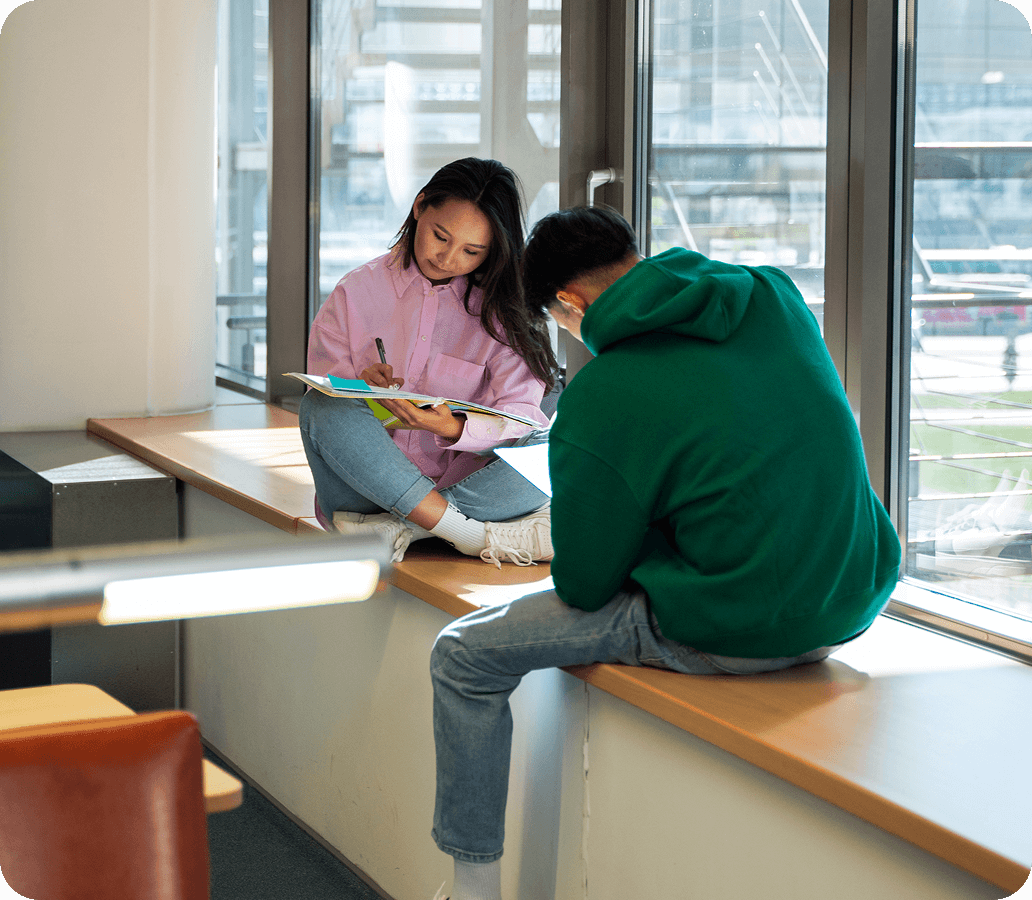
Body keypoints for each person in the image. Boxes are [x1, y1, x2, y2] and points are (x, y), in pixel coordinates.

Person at [427, 206, 901, 900]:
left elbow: (584, 583)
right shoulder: (773, 294)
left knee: (461, 654)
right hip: (855, 593)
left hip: (739, 626)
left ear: (570, 303)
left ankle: (473, 891)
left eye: (558, 321)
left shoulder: (602, 393)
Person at [299, 158, 556, 565]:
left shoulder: (504, 313)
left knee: (555, 448)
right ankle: (464, 533)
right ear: (420, 206)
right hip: (362, 493)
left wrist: (452, 427)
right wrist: (361, 389)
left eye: (472, 251)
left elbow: (522, 417)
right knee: (321, 405)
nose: (448, 258)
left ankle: (410, 528)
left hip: (467, 491)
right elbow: (327, 400)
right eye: (440, 236)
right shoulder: (355, 292)